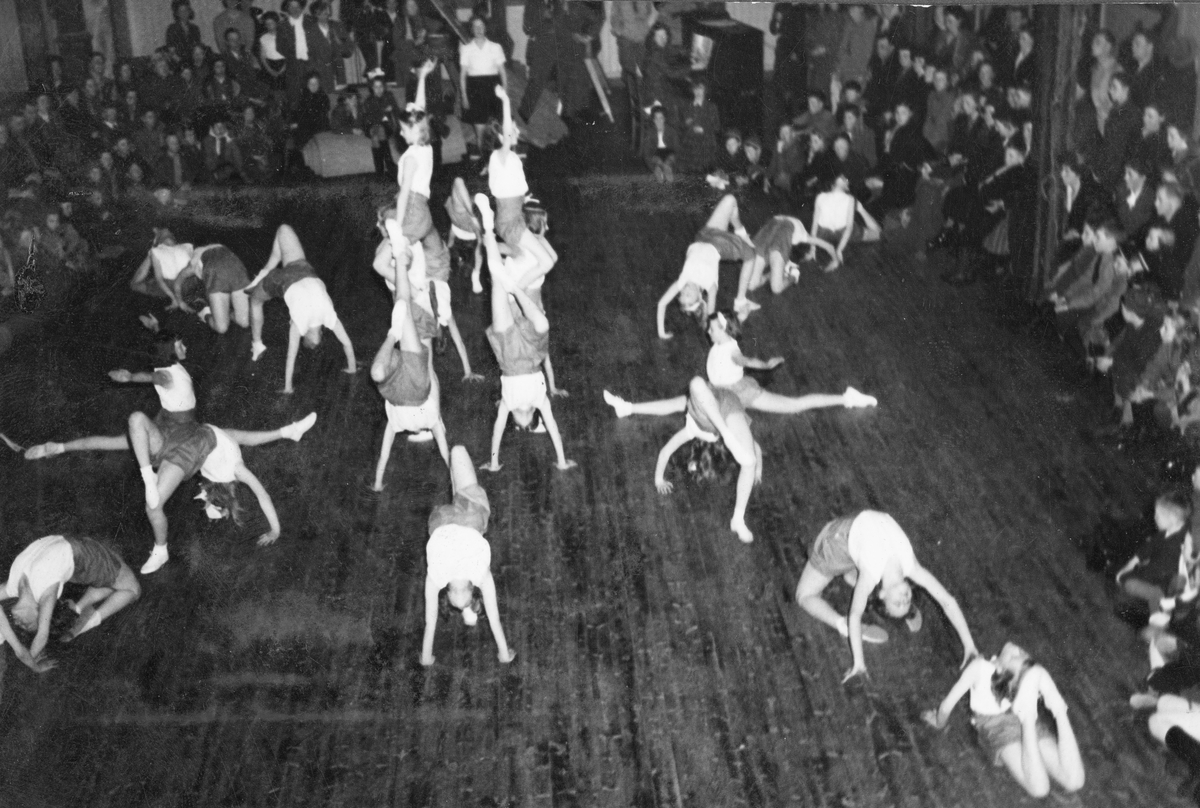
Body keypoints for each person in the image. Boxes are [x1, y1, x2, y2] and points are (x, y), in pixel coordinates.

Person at [794, 510, 978, 681]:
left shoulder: (870, 574)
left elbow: (855, 615)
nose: (905, 600)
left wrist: (859, 662)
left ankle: (843, 626)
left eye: (898, 604)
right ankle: (853, 578)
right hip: (850, 529)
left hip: (835, 543)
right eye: (908, 602)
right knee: (852, 576)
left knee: (804, 596)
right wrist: (969, 645)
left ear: (883, 595)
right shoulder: (912, 567)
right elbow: (948, 601)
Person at [476, 194, 576, 473]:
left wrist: (494, 461)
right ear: (534, 417)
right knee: (540, 322)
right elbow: (552, 426)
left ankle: (487, 224)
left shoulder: (509, 404)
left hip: (508, 353)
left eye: (517, 418)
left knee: (498, 281)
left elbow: (498, 428)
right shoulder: (537, 402)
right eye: (525, 417)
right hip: (528, 350)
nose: (521, 414)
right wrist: (561, 459)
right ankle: (510, 283)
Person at [921, 643, 1085, 798]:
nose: (1017, 649)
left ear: (999, 668)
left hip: (1001, 724)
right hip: (1004, 721)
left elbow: (945, 707)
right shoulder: (1011, 672)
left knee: (1064, 784)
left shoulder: (980, 667)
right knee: (1053, 786)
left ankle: (1038, 714)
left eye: (1015, 656)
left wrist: (938, 721)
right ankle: (1044, 710)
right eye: (1021, 653)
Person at [371, 219, 449, 491]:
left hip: (420, 350)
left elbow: (443, 444)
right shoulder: (396, 422)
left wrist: (452, 474)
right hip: (407, 367)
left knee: (402, 301)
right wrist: (377, 481)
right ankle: (397, 243)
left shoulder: (432, 419)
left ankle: (397, 244)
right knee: (403, 302)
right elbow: (384, 452)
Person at [420, 445, 516, 667]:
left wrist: (505, 653)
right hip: (450, 516)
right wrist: (425, 657)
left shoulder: (478, 574)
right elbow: (430, 622)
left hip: (469, 509)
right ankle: (468, 613)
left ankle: (469, 612)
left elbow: (494, 617)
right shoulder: (438, 577)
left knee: (456, 454)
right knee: (457, 452)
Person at [0, 535, 140, 674]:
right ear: (41, 611)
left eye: (26, 625)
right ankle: (82, 616)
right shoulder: (32, 589)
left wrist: (35, 666)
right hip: (73, 554)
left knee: (130, 588)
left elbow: (40, 638)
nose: (19, 624)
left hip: (79, 553)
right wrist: (32, 661)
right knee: (128, 587)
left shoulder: (19, 587)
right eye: (27, 625)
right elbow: (38, 639)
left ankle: (78, 616)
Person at [243, 224, 357, 393]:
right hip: (290, 275)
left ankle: (265, 273)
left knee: (283, 229)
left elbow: (347, 344)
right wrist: (288, 387)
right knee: (254, 301)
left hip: (294, 274)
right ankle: (257, 342)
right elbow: (291, 356)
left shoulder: (328, 318)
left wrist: (352, 367)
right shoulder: (302, 325)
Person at [704, 311, 878, 414]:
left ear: (724, 330)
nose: (708, 331)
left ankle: (848, 398)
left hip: (738, 393)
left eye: (711, 329)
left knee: (793, 405)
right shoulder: (720, 342)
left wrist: (766, 366)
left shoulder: (731, 351)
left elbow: (747, 361)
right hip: (720, 391)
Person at [655, 194, 757, 338]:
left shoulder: (682, 281)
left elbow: (662, 304)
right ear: (700, 298)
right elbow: (712, 322)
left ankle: (741, 232)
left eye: (682, 294)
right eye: (688, 295)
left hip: (705, 235)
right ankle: (740, 301)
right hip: (721, 247)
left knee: (730, 200)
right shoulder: (710, 286)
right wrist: (738, 318)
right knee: (751, 255)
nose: (684, 291)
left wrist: (661, 332)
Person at [488, 86, 555, 290]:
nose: (515, 131)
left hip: (513, 218)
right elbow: (508, 136)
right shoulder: (500, 156)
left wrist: (524, 199)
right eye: (511, 129)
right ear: (501, 137)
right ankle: (514, 292)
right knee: (547, 262)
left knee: (553, 256)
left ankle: (512, 280)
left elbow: (510, 190)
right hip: (510, 223)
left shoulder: (509, 159)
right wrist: (506, 101)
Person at [736, 215, 838, 298]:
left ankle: (794, 274)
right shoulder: (802, 235)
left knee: (776, 288)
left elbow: (828, 245)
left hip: (776, 225)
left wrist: (815, 252)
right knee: (751, 285)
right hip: (771, 227)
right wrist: (835, 260)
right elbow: (828, 246)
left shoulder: (802, 235)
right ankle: (775, 272)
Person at [173, 243, 252, 333]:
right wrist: (180, 302)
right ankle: (206, 313)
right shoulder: (196, 265)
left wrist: (180, 302)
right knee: (222, 328)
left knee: (244, 322)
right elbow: (178, 282)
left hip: (234, 266)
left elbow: (177, 282)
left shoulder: (194, 263)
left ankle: (222, 314)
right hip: (217, 270)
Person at [811, 172, 883, 270]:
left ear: (846, 187)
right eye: (842, 177)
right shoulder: (823, 196)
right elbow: (815, 224)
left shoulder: (846, 199)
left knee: (878, 233)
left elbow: (815, 224)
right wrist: (813, 248)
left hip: (825, 233)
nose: (844, 178)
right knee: (878, 233)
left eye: (846, 179)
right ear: (832, 185)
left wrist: (813, 246)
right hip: (834, 233)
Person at [459, 15, 507, 157]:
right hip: (474, 91)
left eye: (481, 26)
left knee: (494, 131)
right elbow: (462, 76)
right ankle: (485, 163)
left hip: (493, 90)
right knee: (480, 131)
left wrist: (505, 95)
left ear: (485, 28)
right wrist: (464, 97)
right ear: (471, 29)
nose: (479, 29)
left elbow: (502, 73)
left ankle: (496, 164)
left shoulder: (495, 47)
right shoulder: (466, 49)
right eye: (475, 26)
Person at [444, 176, 484, 294]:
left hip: (459, 227)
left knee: (450, 245)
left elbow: (458, 181)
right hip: (463, 228)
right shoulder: (461, 208)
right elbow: (480, 244)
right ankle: (474, 273)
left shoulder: (456, 206)